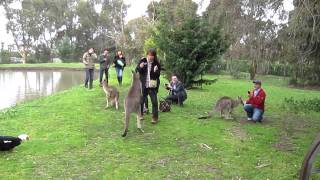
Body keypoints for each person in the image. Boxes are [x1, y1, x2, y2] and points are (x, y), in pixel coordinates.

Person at [136, 48, 161, 124]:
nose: (150, 57)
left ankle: (154, 118)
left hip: (152, 86)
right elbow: (137, 71)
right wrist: (140, 67)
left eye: (152, 55)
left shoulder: (156, 63)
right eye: (149, 55)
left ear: (154, 56)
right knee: (141, 101)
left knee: (154, 102)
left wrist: (156, 70)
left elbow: (157, 75)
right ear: (147, 55)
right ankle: (140, 114)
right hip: (143, 85)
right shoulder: (143, 61)